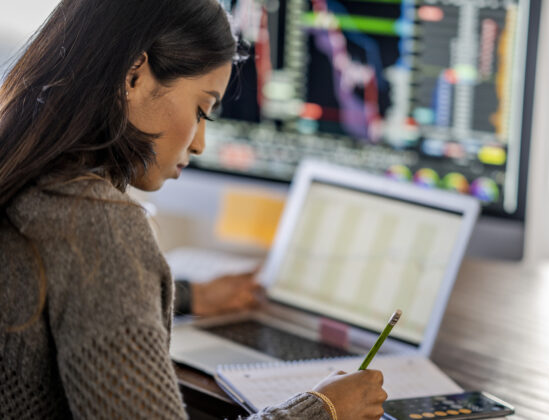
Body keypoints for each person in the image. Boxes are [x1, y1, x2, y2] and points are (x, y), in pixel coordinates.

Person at [0, 1, 387, 419]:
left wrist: (187, 296)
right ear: (134, 76)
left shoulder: (23, 178)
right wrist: (324, 409)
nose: (200, 143)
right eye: (202, 109)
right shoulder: (99, 227)